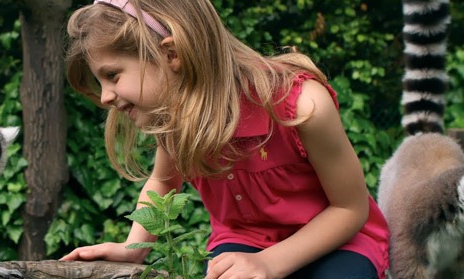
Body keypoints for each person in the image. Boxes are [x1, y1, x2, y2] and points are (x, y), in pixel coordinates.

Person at [58, 0, 390, 278]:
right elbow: (162, 181)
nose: (104, 97)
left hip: (337, 242)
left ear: (172, 54)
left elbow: (350, 208)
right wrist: (136, 248)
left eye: (112, 76)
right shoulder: (176, 118)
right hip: (243, 243)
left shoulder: (301, 106)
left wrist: (269, 264)